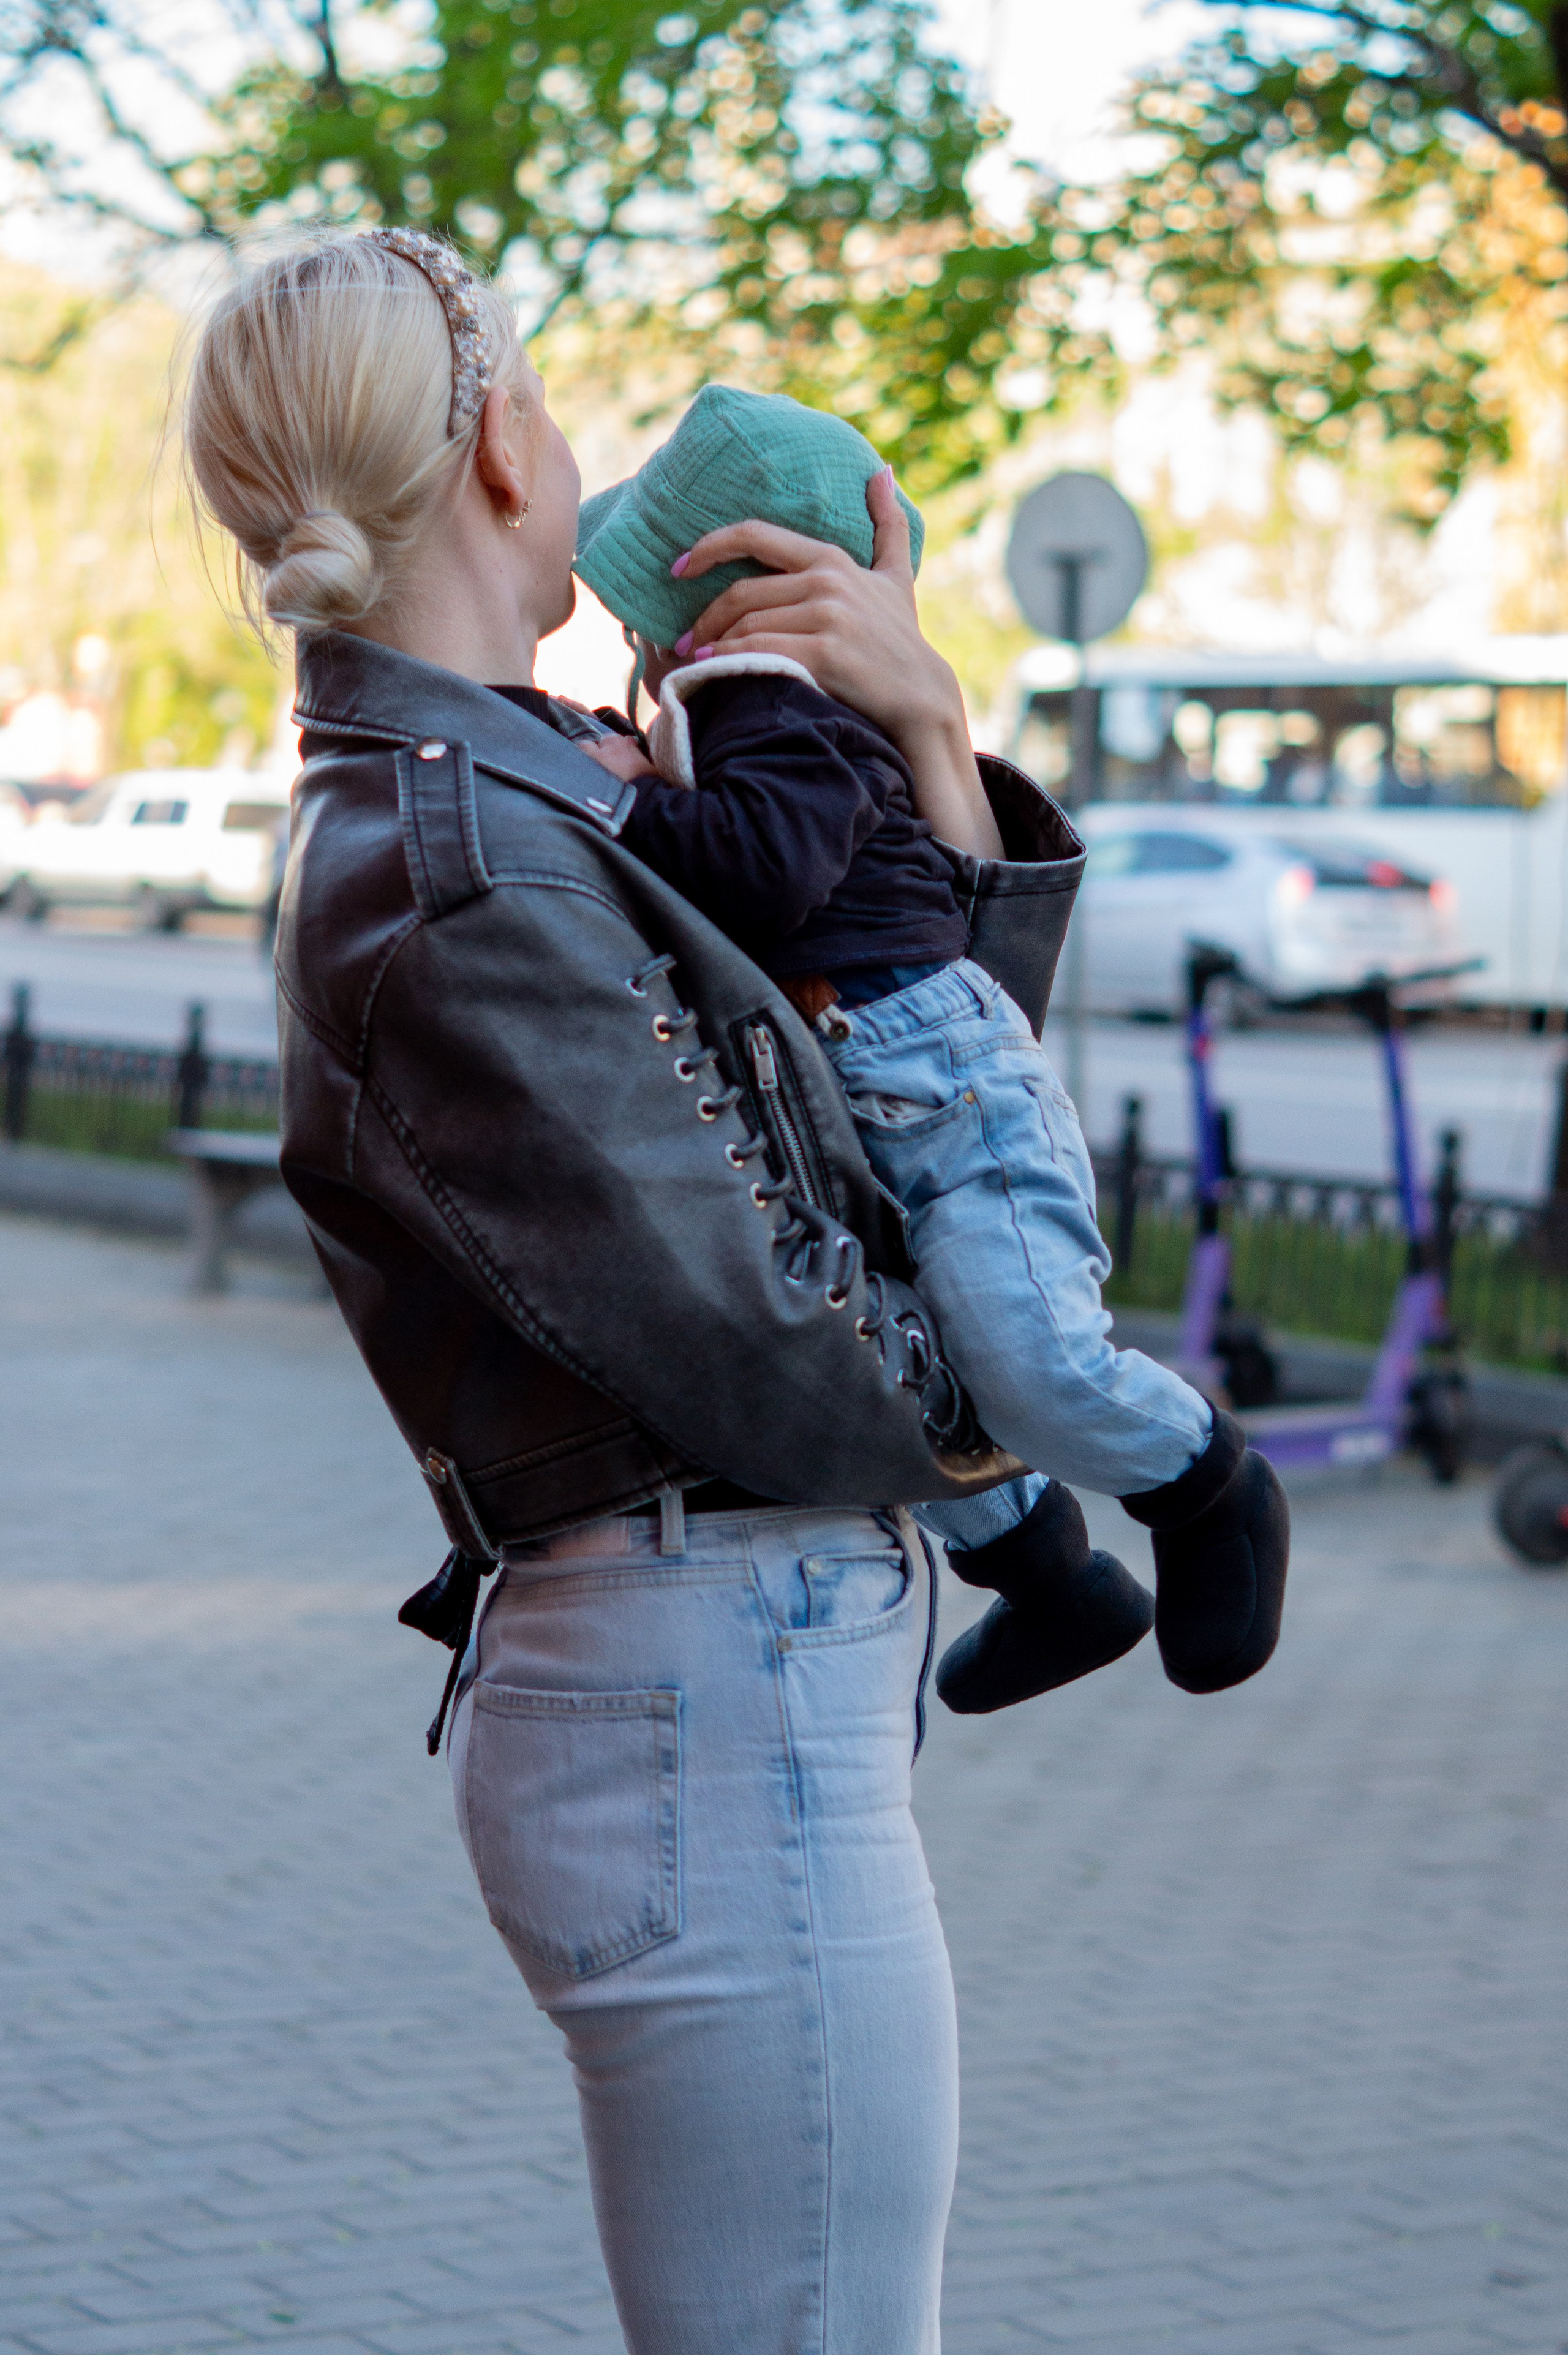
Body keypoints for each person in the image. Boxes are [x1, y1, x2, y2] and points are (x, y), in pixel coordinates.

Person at [181, 224, 1287, 2355]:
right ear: (506, 443)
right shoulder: (465, 850)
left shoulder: (539, 773)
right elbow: (773, 1325)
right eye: (556, 394)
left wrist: (932, 746)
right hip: (708, 1670)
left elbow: (882, 1096)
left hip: (729, 1662)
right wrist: (1028, 1406)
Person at [569, 383, 1288, 1711]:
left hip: (937, 1081)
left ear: (715, 604)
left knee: (1026, 1363)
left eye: (638, 613)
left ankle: (1202, 1482)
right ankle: (1050, 1577)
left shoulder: (763, 699)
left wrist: (630, 812)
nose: (632, 646)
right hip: (867, 1084)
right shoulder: (755, 711)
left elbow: (764, 868)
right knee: (888, 1369)